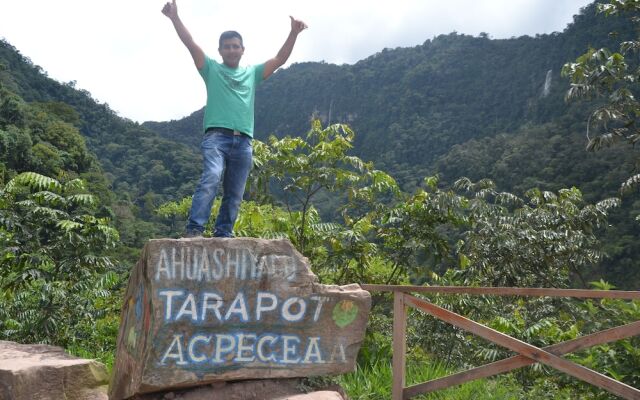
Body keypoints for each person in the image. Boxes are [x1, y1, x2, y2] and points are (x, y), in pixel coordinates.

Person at [161, 0, 307, 238]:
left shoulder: (252, 73)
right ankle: (194, 229)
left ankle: (223, 234)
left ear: (242, 49)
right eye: (227, 46)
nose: (231, 50)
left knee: (235, 193)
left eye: (235, 46)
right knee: (211, 177)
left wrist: (293, 33)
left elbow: (279, 59)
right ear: (220, 51)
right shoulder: (210, 68)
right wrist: (175, 18)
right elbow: (191, 44)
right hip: (216, 137)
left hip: (244, 142)